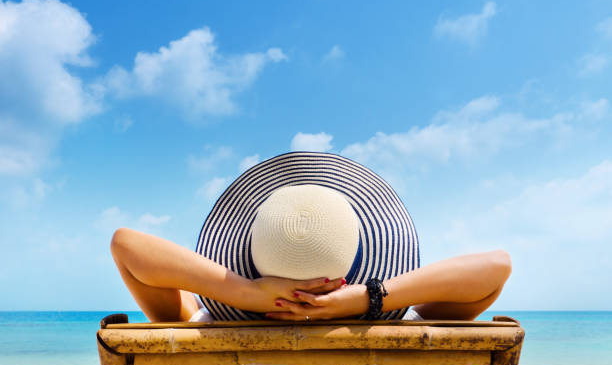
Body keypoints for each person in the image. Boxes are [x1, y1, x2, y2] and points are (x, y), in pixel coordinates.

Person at [110, 152, 512, 323]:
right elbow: (496, 268)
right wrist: (366, 299)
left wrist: (248, 295)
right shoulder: (398, 327)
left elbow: (125, 245)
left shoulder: (208, 324)